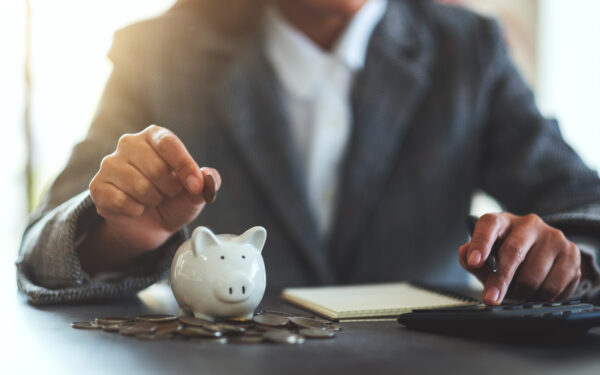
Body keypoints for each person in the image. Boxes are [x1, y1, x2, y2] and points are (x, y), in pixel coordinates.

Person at [17, 0, 600, 306]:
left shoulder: (469, 50)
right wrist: (121, 233)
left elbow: (588, 208)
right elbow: (43, 248)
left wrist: (565, 258)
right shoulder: (160, 51)